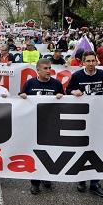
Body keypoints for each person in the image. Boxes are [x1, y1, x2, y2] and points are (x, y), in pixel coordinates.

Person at [65, 51, 103, 198]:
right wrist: (73, 91)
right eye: (88, 61)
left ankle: (95, 183)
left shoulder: (102, 75)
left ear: (96, 62)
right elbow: (67, 89)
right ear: (83, 63)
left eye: (93, 61)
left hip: (99, 119)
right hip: (82, 118)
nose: (91, 63)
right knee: (82, 149)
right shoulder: (77, 76)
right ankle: (81, 178)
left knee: (97, 151)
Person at [20, 58, 64, 195]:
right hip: (34, 125)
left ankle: (47, 177)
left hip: (51, 125)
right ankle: (35, 182)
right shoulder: (30, 83)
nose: (48, 71)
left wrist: (61, 96)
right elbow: (22, 100)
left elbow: (66, 101)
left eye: (49, 68)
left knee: (49, 153)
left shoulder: (56, 84)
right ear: (37, 70)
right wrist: (22, 96)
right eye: (45, 68)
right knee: (35, 153)